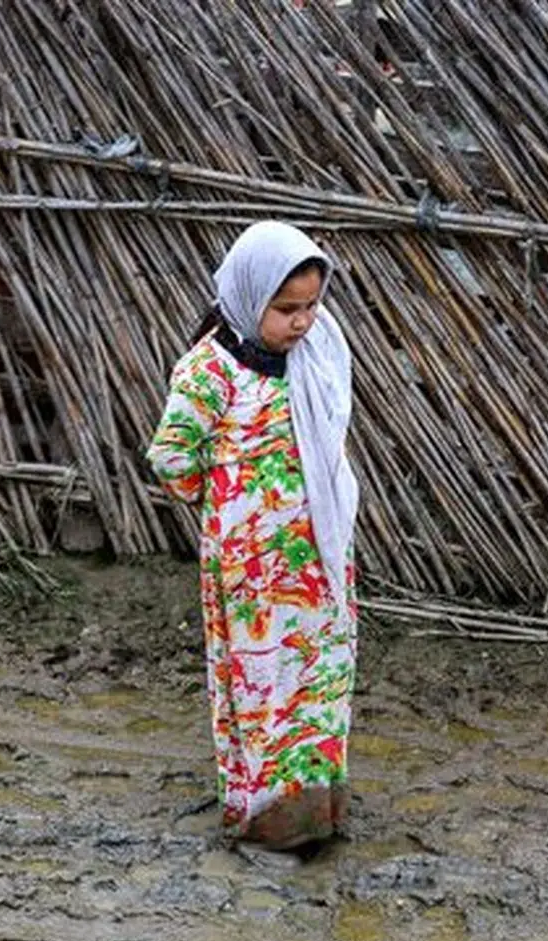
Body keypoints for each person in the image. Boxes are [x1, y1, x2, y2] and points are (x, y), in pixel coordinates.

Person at [146, 221, 359, 850]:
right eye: (286, 309)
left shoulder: (313, 356)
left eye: (311, 306)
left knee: (318, 673)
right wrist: (230, 511)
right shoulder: (209, 371)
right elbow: (172, 456)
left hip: (316, 554)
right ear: (247, 296)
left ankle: (318, 807)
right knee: (262, 680)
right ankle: (267, 819)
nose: (302, 322)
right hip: (251, 570)